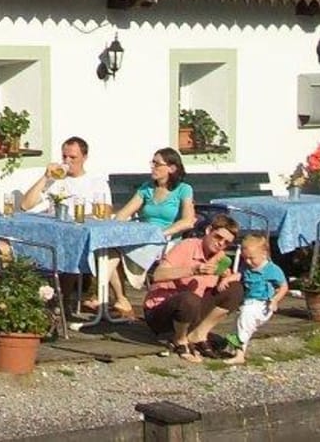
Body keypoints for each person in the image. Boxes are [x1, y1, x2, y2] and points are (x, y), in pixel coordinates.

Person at [104, 147, 197, 318]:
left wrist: (162, 233)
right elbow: (123, 214)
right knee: (107, 251)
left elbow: (188, 220)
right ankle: (121, 299)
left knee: (113, 252)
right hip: (142, 237)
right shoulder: (147, 188)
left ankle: (105, 299)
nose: (152, 167)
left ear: (171, 168)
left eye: (157, 164)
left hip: (166, 241)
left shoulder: (183, 189)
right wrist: (113, 226)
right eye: (152, 163)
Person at [144, 213, 242, 360]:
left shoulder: (220, 258)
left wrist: (229, 277)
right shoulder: (187, 246)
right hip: (161, 310)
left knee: (234, 289)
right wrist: (193, 270)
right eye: (218, 237)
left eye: (226, 242)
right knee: (189, 299)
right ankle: (180, 340)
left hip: (192, 310)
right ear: (208, 231)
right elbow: (157, 275)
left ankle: (199, 334)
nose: (220, 243)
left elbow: (232, 279)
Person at [225, 230, 290, 364]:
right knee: (237, 324)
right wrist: (228, 279)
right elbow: (240, 275)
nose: (248, 261)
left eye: (252, 258)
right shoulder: (246, 267)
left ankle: (240, 355)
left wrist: (275, 300)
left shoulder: (272, 269)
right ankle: (235, 349)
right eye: (245, 258)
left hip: (263, 304)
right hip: (247, 302)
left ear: (264, 254)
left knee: (244, 322)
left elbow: (284, 286)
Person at [17, 136, 113, 216]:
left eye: (72, 157)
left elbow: (105, 214)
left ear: (84, 158)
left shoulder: (96, 182)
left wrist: (74, 220)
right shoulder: (54, 180)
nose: (67, 161)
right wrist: (45, 177)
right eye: (64, 156)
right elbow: (25, 206)